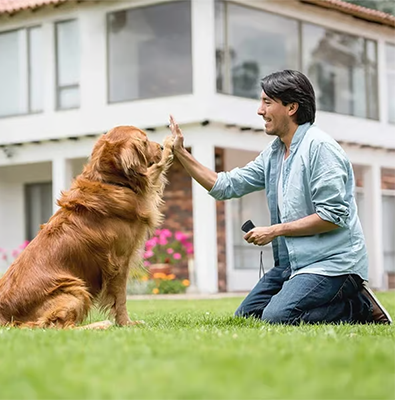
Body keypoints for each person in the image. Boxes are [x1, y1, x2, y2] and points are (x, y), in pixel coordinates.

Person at [168, 69, 392, 325]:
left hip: (333, 264)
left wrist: (274, 231)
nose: (259, 110)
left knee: (278, 317)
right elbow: (226, 185)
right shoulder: (274, 154)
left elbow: (333, 217)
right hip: (292, 264)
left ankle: (358, 307)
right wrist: (181, 153)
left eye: (267, 102)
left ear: (291, 107)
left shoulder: (320, 148)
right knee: (248, 317)